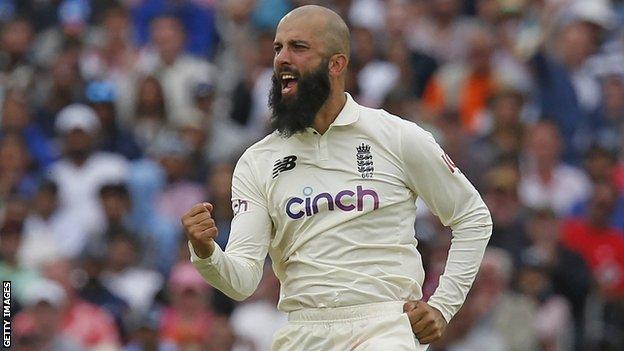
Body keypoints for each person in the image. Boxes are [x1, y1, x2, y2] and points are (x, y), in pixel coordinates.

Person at [181, 5, 492, 350]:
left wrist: (442, 306)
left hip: (385, 326)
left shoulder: (395, 135)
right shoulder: (258, 161)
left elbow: (472, 217)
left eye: (298, 47)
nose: (282, 58)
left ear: (336, 64)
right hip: (303, 330)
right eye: (277, 48)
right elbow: (242, 280)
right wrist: (206, 251)